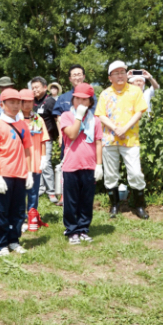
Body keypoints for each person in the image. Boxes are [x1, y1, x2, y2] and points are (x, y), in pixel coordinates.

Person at [96, 60, 149, 220]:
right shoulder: (105, 94)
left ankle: (139, 205)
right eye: (116, 73)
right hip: (110, 139)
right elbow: (101, 115)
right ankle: (114, 205)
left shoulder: (135, 91)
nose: (120, 75)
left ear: (127, 74)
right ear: (110, 77)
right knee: (111, 174)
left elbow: (139, 112)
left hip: (130, 139)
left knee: (135, 173)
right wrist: (115, 128)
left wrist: (124, 129)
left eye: (122, 72)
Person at [59, 83, 103, 244]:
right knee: (71, 200)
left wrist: (99, 165)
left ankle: (83, 228)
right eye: (78, 98)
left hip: (89, 165)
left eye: (85, 100)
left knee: (86, 199)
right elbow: (71, 134)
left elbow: (98, 142)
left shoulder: (95, 120)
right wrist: (78, 116)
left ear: (90, 102)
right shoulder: (66, 116)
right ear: (73, 99)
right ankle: (72, 230)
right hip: (71, 165)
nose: (81, 102)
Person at [0, 88, 33, 256]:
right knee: (2, 211)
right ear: (2, 104)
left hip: (20, 174)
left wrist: (28, 172)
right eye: (11, 102)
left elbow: (28, 150)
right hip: (4, 174)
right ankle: (0, 244)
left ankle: (14, 240)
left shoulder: (23, 125)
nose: (16, 106)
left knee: (18, 210)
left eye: (18, 102)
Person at [20, 89, 49, 219]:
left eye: (30, 101)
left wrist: (43, 157)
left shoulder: (38, 119)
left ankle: (32, 214)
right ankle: (20, 215)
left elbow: (43, 140)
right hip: (19, 163)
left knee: (33, 191)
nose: (27, 104)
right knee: (20, 191)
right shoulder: (16, 120)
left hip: (35, 161)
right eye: (24, 102)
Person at [31, 77, 59, 204]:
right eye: (33, 88)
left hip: (46, 138)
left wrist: (60, 137)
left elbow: (57, 119)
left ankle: (51, 191)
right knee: (37, 163)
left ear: (44, 87)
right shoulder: (31, 102)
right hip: (33, 138)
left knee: (46, 163)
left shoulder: (50, 101)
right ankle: (40, 188)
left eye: (37, 87)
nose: (34, 90)